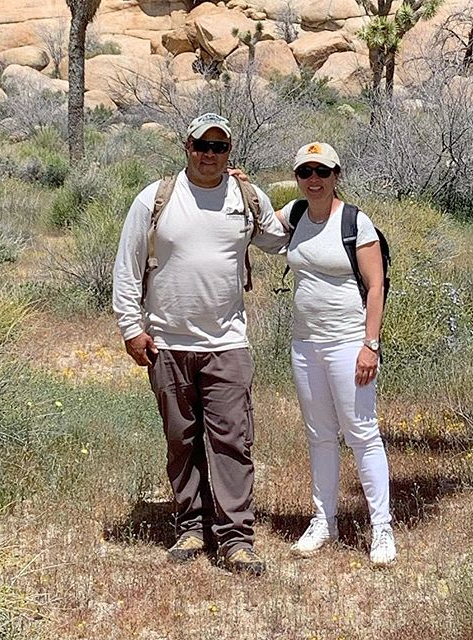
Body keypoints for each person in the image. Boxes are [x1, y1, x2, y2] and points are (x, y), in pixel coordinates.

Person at [112, 113, 288, 576]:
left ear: (230, 151)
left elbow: (277, 239)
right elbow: (128, 266)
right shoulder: (155, 199)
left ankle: (235, 538)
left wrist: (318, 195)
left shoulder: (245, 197)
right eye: (201, 145)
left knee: (232, 439)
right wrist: (132, 328)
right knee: (181, 439)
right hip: (167, 341)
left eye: (219, 146)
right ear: (186, 147)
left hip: (227, 341)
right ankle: (191, 525)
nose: (210, 155)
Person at [276, 142, 396, 566]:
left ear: (336, 175)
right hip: (306, 344)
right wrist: (240, 188)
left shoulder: (354, 222)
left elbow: (375, 285)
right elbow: (255, 228)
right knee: (320, 435)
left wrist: (370, 344)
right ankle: (324, 521)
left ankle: (381, 529)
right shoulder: (293, 215)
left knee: (362, 434)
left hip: (349, 344)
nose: (313, 180)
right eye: (305, 172)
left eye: (321, 172)